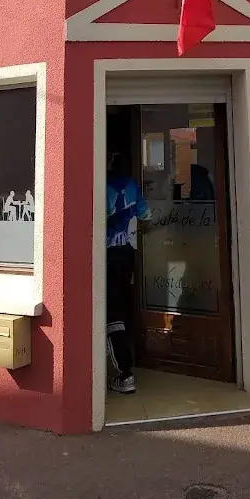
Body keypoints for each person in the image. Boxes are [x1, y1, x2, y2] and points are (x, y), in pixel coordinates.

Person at [106, 154, 152, 394]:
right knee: (122, 308)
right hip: (127, 255)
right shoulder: (133, 186)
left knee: (112, 315)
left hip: (107, 256)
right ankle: (125, 364)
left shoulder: (104, 186)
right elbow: (147, 216)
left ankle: (124, 374)